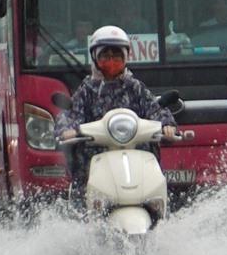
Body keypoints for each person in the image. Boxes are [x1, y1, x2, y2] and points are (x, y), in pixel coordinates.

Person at [57, 25, 180, 197]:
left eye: (116, 56)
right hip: (96, 164)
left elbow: (155, 109)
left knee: (156, 193)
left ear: (125, 57)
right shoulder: (87, 90)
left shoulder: (134, 87)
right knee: (81, 195)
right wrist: (67, 130)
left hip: (137, 161)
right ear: (95, 58)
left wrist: (167, 125)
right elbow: (71, 115)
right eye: (105, 56)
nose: (111, 60)